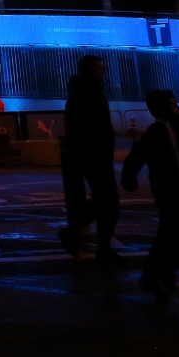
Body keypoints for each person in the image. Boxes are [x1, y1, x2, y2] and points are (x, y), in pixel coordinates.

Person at [121, 89, 179, 299]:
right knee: (175, 233)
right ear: (163, 108)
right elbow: (137, 156)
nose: (178, 107)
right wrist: (129, 178)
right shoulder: (160, 130)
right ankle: (156, 275)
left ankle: (162, 272)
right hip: (171, 190)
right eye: (173, 104)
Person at [58, 55, 121, 261]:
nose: (102, 71)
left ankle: (88, 239)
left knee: (105, 201)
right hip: (94, 153)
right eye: (99, 68)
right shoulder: (86, 91)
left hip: (94, 153)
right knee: (108, 201)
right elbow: (87, 125)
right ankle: (95, 243)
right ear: (89, 69)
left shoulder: (84, 89)